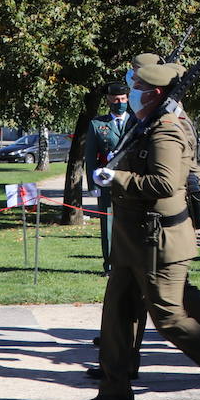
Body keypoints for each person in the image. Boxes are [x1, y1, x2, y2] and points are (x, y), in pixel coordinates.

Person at [84, 62, 200, 400]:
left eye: (138, 86)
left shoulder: (165, 130)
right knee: (117, 316)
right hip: (132, 238)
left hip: (157, 240)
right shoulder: (144, 124)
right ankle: (114, 389)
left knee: (168, 317)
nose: (131, 91)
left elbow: (165, 183)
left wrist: (117, 178)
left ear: (155, 93)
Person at [84, 82, 132, 273]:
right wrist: (92, 183)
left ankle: (130, 262)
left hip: (131, 180)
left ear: (128, 99)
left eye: (123, 99)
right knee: (109, 225)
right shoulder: (97, 124)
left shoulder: (135, 122)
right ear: (109, 100)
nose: (119, 103)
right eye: (116, 100)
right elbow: (90, 156)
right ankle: (110, 264)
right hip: (107, 181)